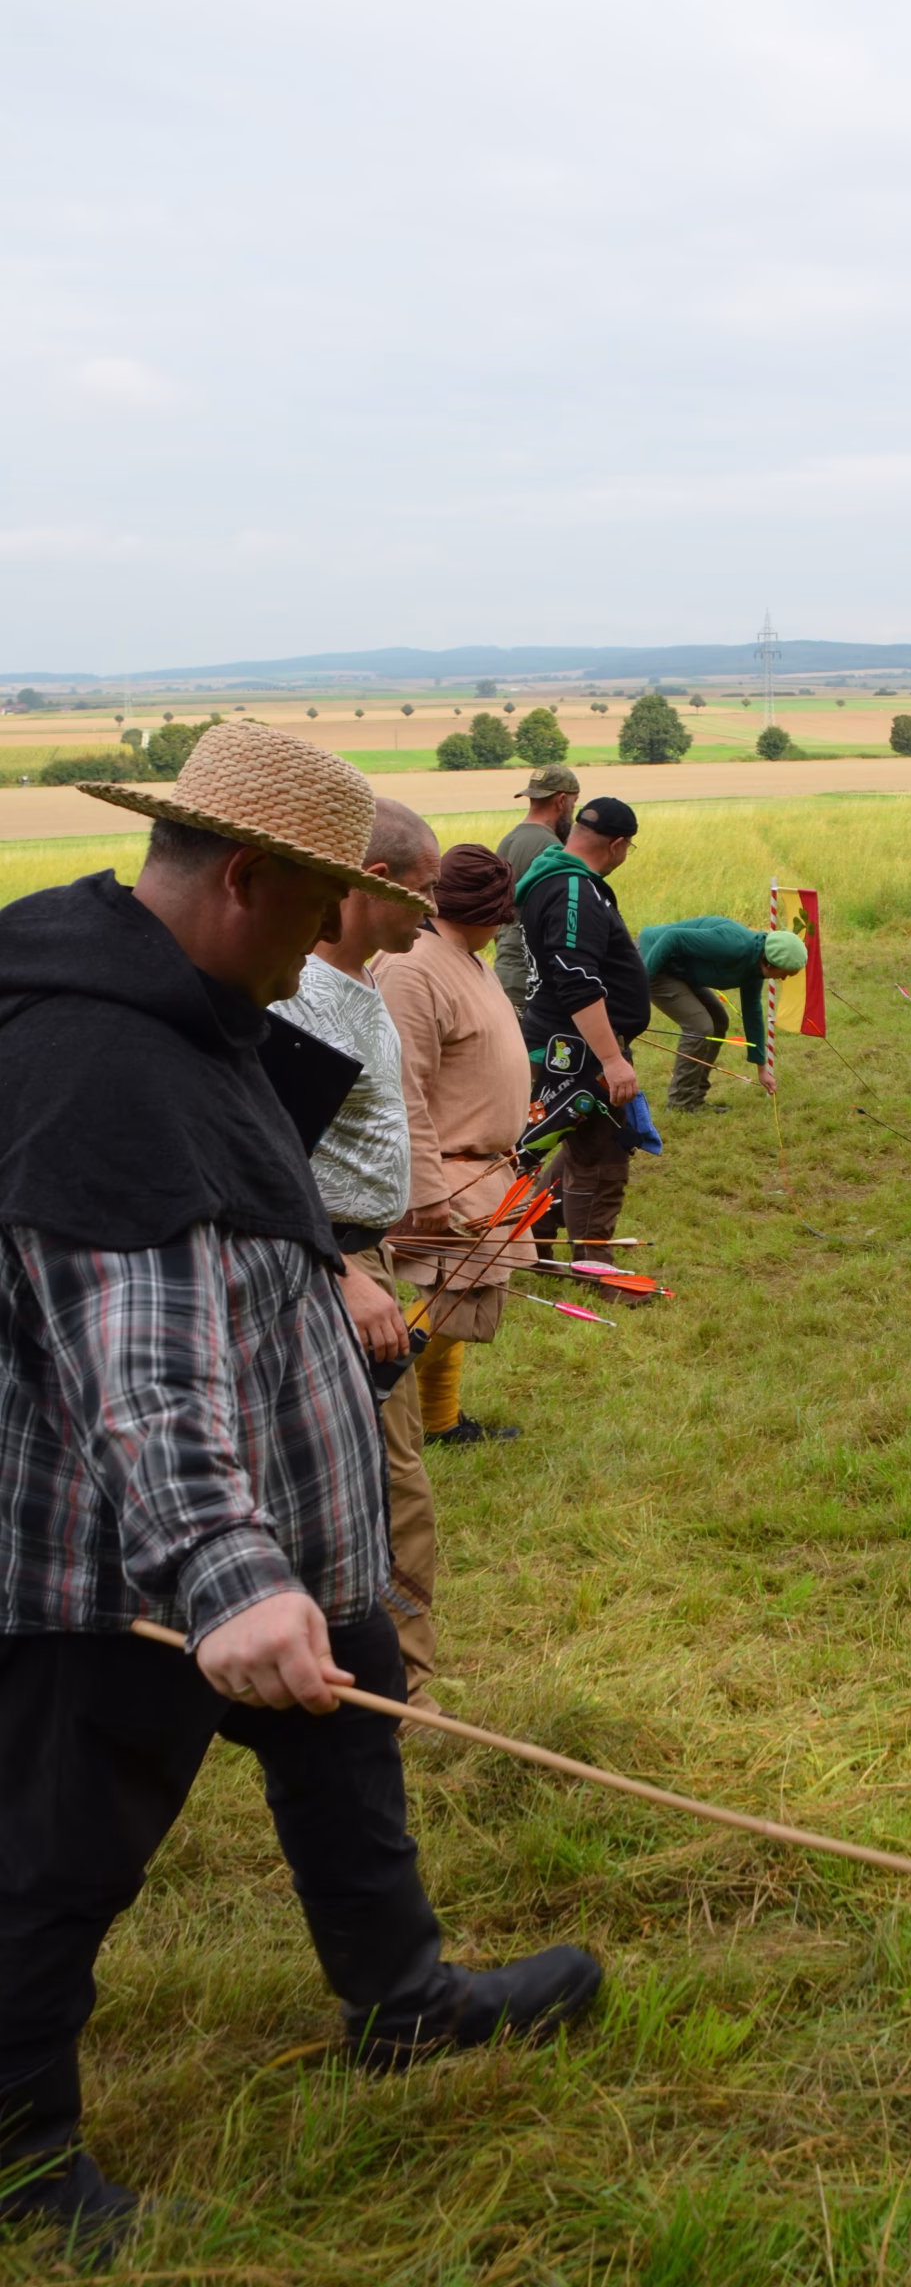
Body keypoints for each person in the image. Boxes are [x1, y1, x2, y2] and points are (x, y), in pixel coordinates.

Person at [0, 724, 599, 2261]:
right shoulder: (96, 1057)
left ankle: (403, 2003)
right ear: (244, 880)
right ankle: (18, 2160)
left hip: (284, 1541)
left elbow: (240, 1224)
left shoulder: (184, 1006)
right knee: (54, 1859)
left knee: (347, 1765)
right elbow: (141, 1362)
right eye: (326, 900)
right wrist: (229, 1574)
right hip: (134, 1575)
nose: (345, 934)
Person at [269, 797, 445, 1703]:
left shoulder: (364, 983)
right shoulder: (298, 995)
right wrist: (340, 1271)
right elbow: (262, 1157)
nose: (434, 912)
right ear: (374, 882)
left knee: (387, 1468)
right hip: (322, 1264)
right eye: (424, 891)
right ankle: (395, 1689)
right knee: (385, 1477)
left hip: (359, 1255)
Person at [373, 845, 536, 1449]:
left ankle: (439, 1422)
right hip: (445, 1170)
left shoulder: (465, 957)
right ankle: (364, 1397)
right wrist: (425, 1187)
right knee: (451, 1301)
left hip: (482, 1167)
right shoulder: (412, 968)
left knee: (462, 1298)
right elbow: (401, 1089)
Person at [514, 796, 651, 1254]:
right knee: (603, 1158)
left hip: (571, 1042)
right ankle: (595, 1266)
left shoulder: (556, 877)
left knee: (580, 1143)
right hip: (577, 1051)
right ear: (617, 844)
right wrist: (612, 1058)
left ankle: (536, 1234)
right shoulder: (573, 889)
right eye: (628, 848)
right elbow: (576, 979)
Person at [636, 920, 807, 1112]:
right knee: (699, 1026)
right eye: (784, 973)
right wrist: (638, 986)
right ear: (771, 962)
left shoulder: (755, 966)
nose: (783, 978)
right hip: (653, 955)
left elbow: (752, 1012)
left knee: (719, 1022)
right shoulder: (734, 945)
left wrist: (762, 1068)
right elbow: (673, 938)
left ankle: (695, 1098)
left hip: (677, 967)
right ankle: (680, 1104)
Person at [494, 763, 580, 1015]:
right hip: (530, 982)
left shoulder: (509, 839)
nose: (572, 812)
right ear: (561, 800)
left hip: (504, 971)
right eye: (574, 804)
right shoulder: (551, 849)